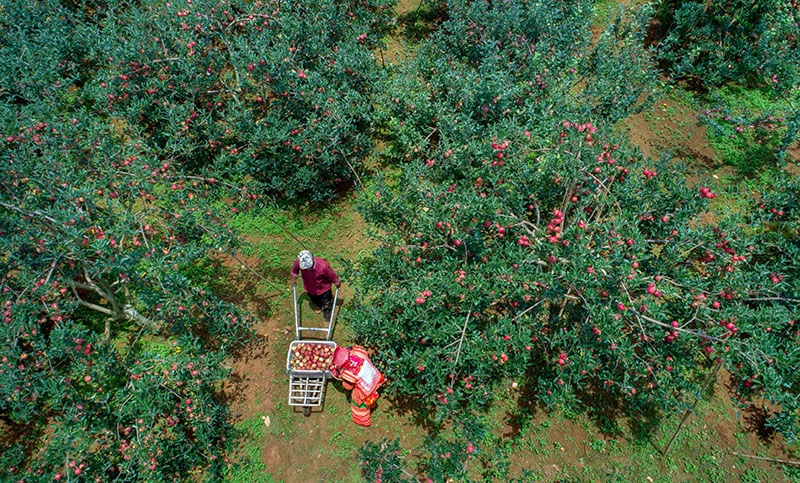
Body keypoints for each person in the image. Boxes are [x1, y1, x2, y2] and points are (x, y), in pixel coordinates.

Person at [331, 345, 385, 427]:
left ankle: (362, 419)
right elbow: (357, 347)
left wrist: (342, 378)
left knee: (359, 402)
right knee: (372, 394)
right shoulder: (358, 353)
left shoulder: (350, 373)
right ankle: (372, 403)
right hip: (374, 377)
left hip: (366, 389)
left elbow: (348, 386)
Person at [291, 250, 340, 321]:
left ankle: (326, 311)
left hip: (323, 288)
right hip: (309, 288)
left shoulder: (323, 265)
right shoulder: (300, 260)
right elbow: (295, 270)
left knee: (326, 301)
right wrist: (294, 278)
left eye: (309, 267)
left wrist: (336, 282)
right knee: (314, 299)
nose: (307, 269)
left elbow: (331, 275)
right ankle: (319, 305)